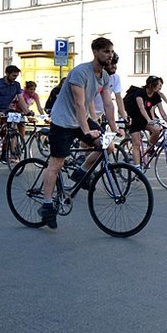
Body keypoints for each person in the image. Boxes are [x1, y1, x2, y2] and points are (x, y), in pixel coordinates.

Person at [37, 38, 116, 229]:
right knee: (57, 163)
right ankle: (47, 204)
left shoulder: (104, 76)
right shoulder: (80, 72)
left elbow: (107, 103)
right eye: (106, 51)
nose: (110, 55)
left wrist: (114, 127)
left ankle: (80, 173)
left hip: (80, 120)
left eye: (111, 52)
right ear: (95, 52)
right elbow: (79, 104)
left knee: (109, 146)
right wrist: (87, 130)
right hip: (63, 120)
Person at [123, 76, 167, 168]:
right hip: (135, 118)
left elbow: (162, 110)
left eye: (161, 84)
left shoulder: (156, 95)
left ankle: (148, 149)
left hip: (145, 119)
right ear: (151, 85)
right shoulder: (140, 92)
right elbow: (141, 108)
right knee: (136, 144)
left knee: (157, 130)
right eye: (158, 84)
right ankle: (137, 168)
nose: (160, 86)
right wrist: (149, 120)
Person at [0, 65, 30, 154]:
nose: (15, 78)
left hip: (6, 109)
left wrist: (27, 111)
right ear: (7, 73)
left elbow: (20, 99)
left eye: (16, 76)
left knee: (12, 128)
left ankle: (5, 152)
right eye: (13, 76)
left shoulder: (16, 85)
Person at [89, 53, 127, 135]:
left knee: (98, 141)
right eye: (111, 64)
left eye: (115, 64)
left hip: (99, 112)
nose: (114, 66)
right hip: (87, 111)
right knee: (92, 139)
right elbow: (90, 99)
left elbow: (118, 98)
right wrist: (94, 119)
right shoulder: (95, 77)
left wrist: (124, 115)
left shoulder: (115, 78)